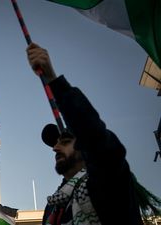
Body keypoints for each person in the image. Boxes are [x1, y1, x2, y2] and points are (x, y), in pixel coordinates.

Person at [27, 43, 145, 225]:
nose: (55, 148)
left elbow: (95, 136)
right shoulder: (53, 206)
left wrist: (52, 79)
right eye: (55, 143)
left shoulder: (107, 182)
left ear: (84, 147)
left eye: (65, 141)